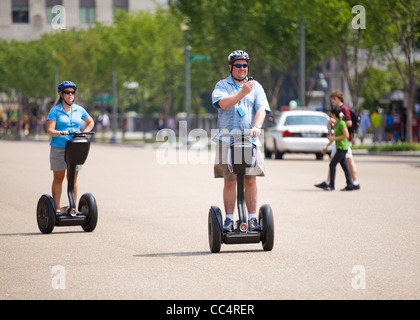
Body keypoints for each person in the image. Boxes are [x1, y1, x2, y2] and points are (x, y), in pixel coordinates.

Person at [212, 50, 271, 232]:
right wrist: (242, 93)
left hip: (250, 140)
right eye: (238, 65)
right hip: (227, 140)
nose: (242, 69)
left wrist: (257, 126)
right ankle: (229, 219)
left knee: (251, 180)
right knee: (229, 181)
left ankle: (252, 219)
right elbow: (223, 104)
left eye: (245, 65)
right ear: (231, 67)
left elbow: (261, 109)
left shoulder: (256, 86)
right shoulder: (222, 85)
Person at [47, 81, 94, 215]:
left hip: (75, 147)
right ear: (61, 95)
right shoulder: (55, 111)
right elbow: (50, 130)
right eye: (67, 92)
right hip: (59, 147)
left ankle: (73, 207)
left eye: (72, 92)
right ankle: (56, 208)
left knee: (72, 178)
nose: (70, 95)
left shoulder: (79, 109)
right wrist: (61, 132)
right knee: (58, 178)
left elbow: (90, 122)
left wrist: (84, 133)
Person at [315, 90, 360, 190]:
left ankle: (354, 182)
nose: (332, 100)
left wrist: (337, 121)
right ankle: (331, 182)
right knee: (337, 161)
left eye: (334, 98)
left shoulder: (343, 109)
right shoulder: (336, 109)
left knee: (347, 161)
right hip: (339, 139)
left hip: (344, 140)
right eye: (331, 98)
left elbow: (349, 123)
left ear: (339, 98)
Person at [322, 106, 353, 191]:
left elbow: (346, 135)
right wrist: (327, 145)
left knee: (332, 165)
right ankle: (350, 184)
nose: (330, 115)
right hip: (340, 147)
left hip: (342, 147)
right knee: (345, 167)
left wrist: (333, 139)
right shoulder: (337, 123)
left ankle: (331, 185)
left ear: (334, 114)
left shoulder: (342, 123)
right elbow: (334, 136)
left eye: (331, 114)